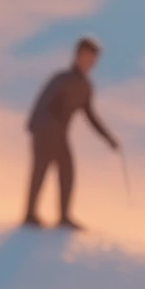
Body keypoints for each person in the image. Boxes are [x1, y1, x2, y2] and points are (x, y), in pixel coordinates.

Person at [23, 36, 119, 230]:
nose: (90, 62)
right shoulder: (62, 79)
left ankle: (62, 216)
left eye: (93, 58)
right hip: (46, 130)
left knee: (66, 171)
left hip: (57, 133)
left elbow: (90, 115)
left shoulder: (85, 86)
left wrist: (108, 138)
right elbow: (42, 104)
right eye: (86, 56)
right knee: (42, 169)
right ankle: (31, 214)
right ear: (77, 55)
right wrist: (38, 127)